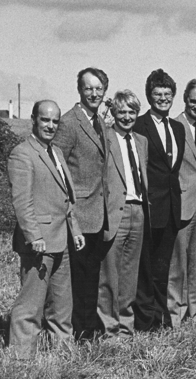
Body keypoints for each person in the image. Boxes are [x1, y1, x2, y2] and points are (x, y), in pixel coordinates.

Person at [7, 100, 85, 358]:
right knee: (31, 304)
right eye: (45, 120)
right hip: (39, 244)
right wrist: (34, 236)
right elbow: (22, 201)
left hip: (60, 240)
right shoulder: (22, 154)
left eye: (55, 121)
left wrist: (75, 230)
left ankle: (62, 354)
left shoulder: (57, 153)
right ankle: (21, 358)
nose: (50, 125)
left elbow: (66, 198)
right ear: (33, 119)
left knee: (62, 305)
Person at [53, 67, 110, 339]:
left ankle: (89, 327)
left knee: (91, 276)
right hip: (79, 216)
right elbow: (56, 168)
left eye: (99, 88)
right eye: (88, 88)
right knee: (79, 278)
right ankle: (80, 331)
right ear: (79, 90)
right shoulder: (69, 122)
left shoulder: (98, 121)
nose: (94, 93)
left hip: (98, 214)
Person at [132, 69, 186, 331]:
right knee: (146, 268)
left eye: (167, 94)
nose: (163, 99)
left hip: (172, 208)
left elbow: (172, 170)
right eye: (157, 94)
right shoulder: (139, 126)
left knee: (162, 270)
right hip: (149, 208)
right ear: (149, 96)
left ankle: (162, 318)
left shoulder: (177, 127)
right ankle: (146, 322)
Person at [98, 90, 150, 337]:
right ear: (114, 113)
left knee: (130, 273)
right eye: (122, 112)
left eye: (132, 112)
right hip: (114, 211)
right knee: (109, 274)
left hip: (138, 209)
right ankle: (109, 328)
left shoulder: (141, 141)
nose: (127, 117)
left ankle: (126, 328)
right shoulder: (105, 138)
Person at [167, 80, 196, 326]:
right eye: (193, 101)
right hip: (181, 202)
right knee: (178, 263)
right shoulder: (174, 127)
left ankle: (195, 311)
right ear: (185, 99)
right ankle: (175, 312)